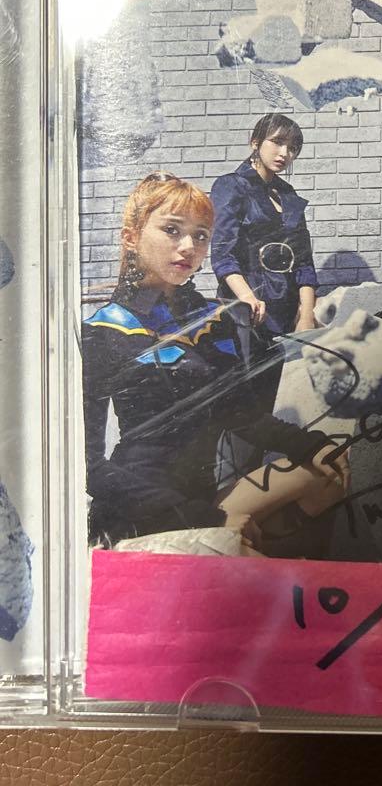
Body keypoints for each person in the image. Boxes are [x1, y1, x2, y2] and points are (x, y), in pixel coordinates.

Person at [82, 173, 349, 551]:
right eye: (172, 230)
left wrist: (312, 445)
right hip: (145, 513)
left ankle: (249, 550)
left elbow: (238, 414)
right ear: (131, 237)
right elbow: (88, 466)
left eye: (201, 235)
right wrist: (204, 519)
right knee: (260, 569)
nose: (188, 246)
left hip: (206, 501)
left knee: (329, 472)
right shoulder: (102, 329)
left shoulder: (211, 318)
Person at [210, 114, 317, 413]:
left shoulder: (288, 195)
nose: (285, 153)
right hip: (248, 311)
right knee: (250, 406)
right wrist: (247, 298)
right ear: (255, 142)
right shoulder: (231, 186)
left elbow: (304, 261)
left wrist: (306, 314)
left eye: (293, 147)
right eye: (277, 142)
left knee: (286, 403)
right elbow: (222, 255)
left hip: (288, 310)